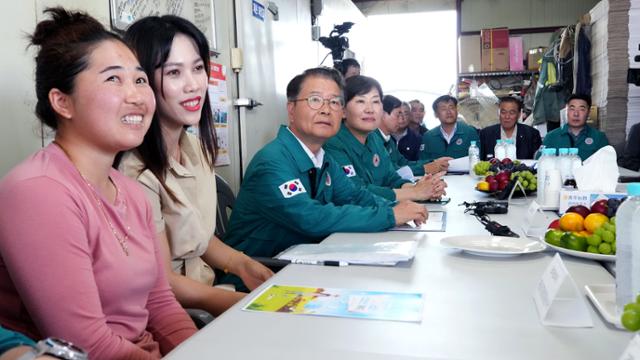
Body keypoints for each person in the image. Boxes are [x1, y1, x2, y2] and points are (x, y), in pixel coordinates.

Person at [0, 8, 196, 359]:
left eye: (139, 80)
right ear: (62, 102)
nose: (137, 95)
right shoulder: (37, 192)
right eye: (113, 80)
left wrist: (201, 351)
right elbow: (86, 342)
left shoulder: (131, 192)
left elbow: (160, 303)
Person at [118, 16, 273, 316]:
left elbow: (197, 239)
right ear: (142, 81)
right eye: (174, 72)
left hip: (207, 296)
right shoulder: (134, 172)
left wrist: (243, 264)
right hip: (173, 313)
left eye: (198, 68)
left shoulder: (197, 149)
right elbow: (161, 284)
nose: (193, 85)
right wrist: (246, 306)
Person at [222, 67, 428, 273]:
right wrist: (390, 215)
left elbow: (355, 196)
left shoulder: (323, 158)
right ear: (291, 109)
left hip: (303, 263)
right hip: (258, 275)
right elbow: (311, 218)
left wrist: (396, 206)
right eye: (314, 100)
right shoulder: (272, 161)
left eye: (334, 102)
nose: (325, 109)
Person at [323, 76, 446, 202]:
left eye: (375, 102)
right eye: (360, 101)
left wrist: (422, 188)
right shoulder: (332, 143)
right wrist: (414, 192)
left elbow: (391, 178)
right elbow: (355, 191)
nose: (370, 109)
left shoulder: (374, 139)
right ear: (343, 110)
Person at [375, 95, 451, 176]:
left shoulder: (389, 140)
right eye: (398, 115)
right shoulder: (372, 140)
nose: (401, 119)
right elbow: (392, 170)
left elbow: (403, 163)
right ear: (382, 114)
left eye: (405, 114)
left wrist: (434, 162)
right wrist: (426, 168)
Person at [542, 94, 608, 160]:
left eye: (581, 109)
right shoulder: (551, 137)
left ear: (588, 112)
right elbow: (539, 163)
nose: (576, 114)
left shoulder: (599, 138)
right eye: (572, 109)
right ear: (567, 111)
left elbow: (608, 164)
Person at [420, 95, 480, 161]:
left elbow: (478, 160)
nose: (448, 112)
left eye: (451, 108)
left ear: (457, 111)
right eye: (443, 109)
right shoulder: (428, 136)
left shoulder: (470, 132)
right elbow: (423, 163)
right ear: (436, 114)